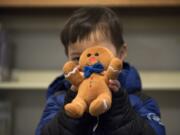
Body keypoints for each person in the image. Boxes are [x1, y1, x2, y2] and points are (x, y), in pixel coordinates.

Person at [36, 7, 166, 135]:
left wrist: (119, 109)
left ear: (120, 54)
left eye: (99, 55)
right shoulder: (58, 101)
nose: (89, 66)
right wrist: (72, 111)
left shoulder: (140, 102)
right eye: (77, 58)